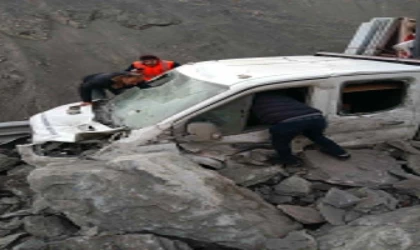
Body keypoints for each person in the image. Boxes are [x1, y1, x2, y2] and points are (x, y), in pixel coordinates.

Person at [252, 91, 350, 166]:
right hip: (316, 117)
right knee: (317, 136)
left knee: (280, 142)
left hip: (289, 122)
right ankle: (341, 153)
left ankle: (290, 161)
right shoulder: (283, 98)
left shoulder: (252, 103)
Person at [79, 72, 147, 106]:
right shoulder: (103, 80)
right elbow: (84, 87)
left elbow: (145, 87)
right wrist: (87, 101)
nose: (135, 84)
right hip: (91, 84)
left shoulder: (137, 79)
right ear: (125, 78)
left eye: (137, 82)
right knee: (100, 102)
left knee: (125, 97)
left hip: (114, 84)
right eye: (133, 82)